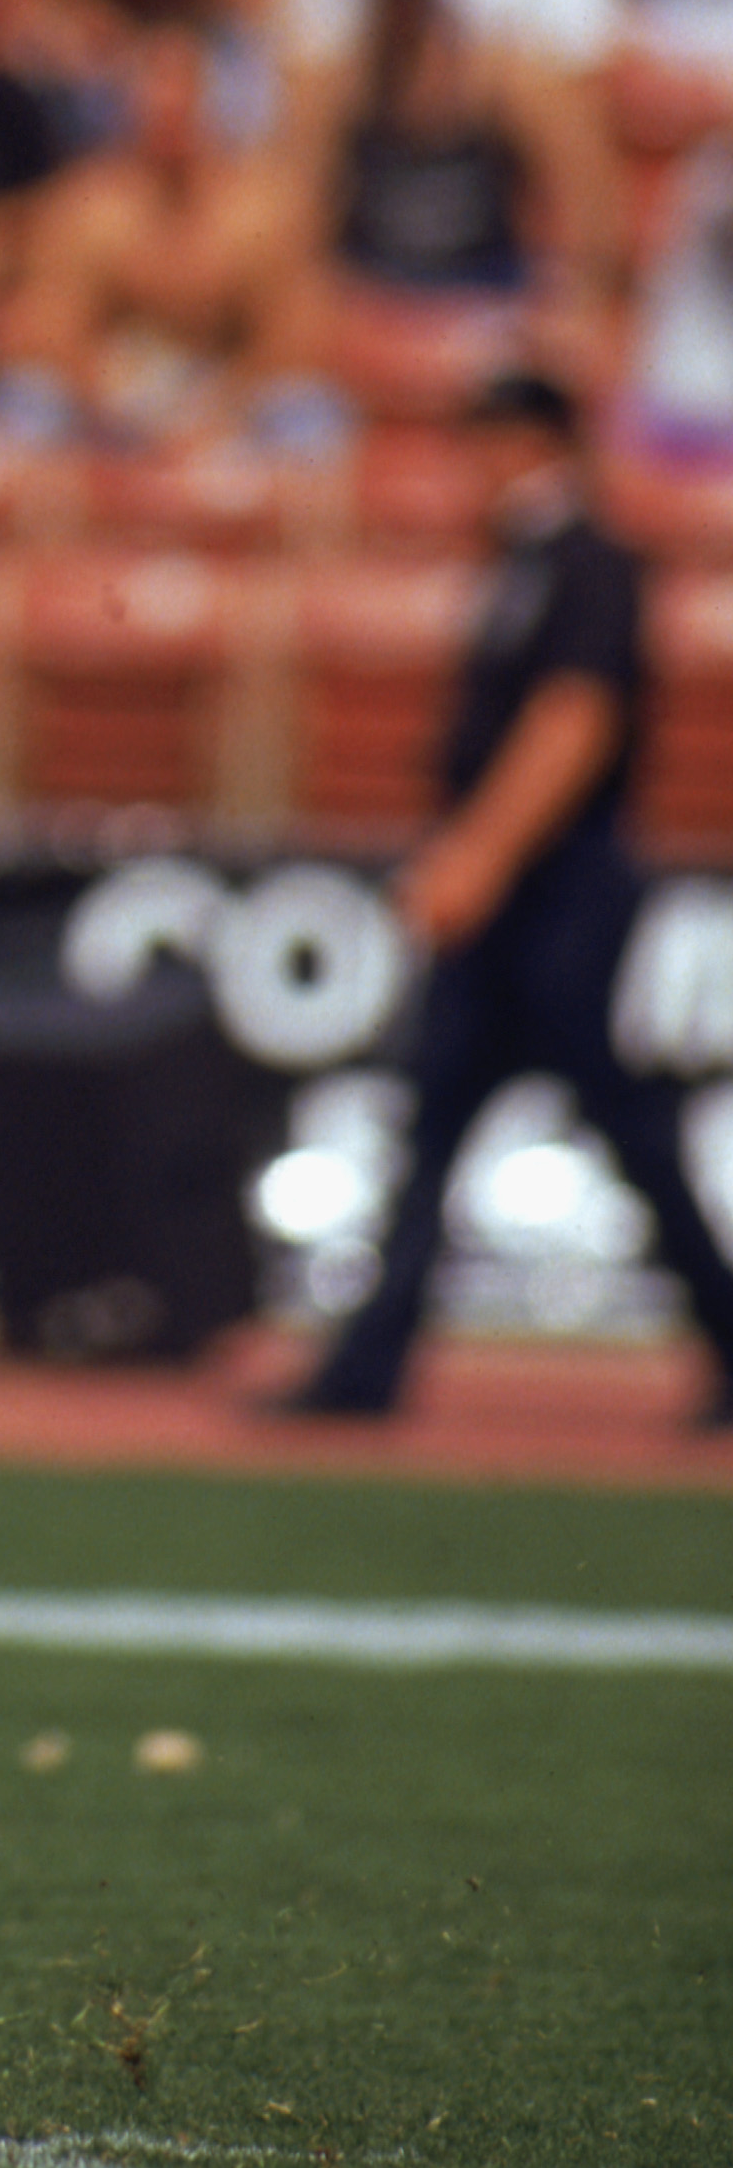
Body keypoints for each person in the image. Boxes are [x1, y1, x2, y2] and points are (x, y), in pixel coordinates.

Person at [284, 370, 733, 1424]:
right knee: (438, 1123)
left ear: (526, 442)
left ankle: (725, 1334)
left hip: (558, 896)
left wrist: (476, 855)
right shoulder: (529, 564)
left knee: (616, 1124)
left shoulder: (587, 564)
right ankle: (366, 1366)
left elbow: (574, 721)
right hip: (521, 900)